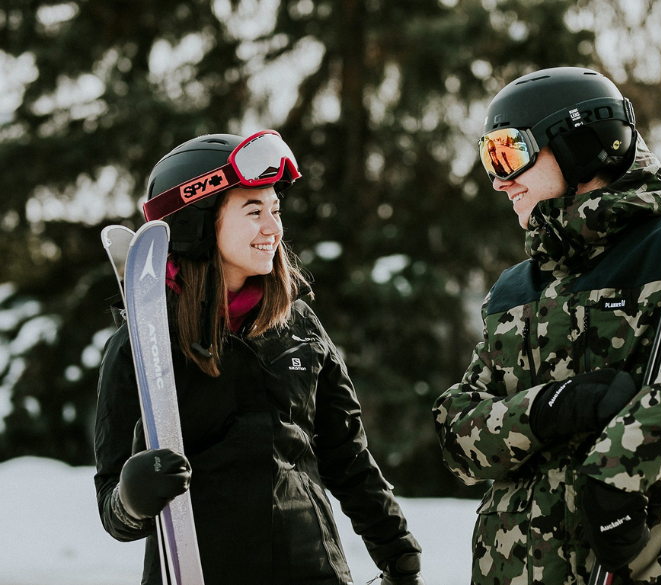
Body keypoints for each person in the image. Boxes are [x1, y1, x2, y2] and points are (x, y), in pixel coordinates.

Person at [433, 67, 661, 585]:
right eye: (489, 157)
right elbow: (458, 434)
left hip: (647, 566)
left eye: (510, 153)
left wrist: (615, 474)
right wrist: (548, 410)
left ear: (579, 144)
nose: (499, 179)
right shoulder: (515, 288)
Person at [94, 131, 425, 585]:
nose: (274, 228)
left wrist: (399, 553)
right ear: (197, 222)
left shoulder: (300, 325)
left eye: (275, 210)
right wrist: (131, 500)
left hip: (314, 570)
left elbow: (347, 457)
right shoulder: (144, 344)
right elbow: (114, 510)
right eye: (254, 211)